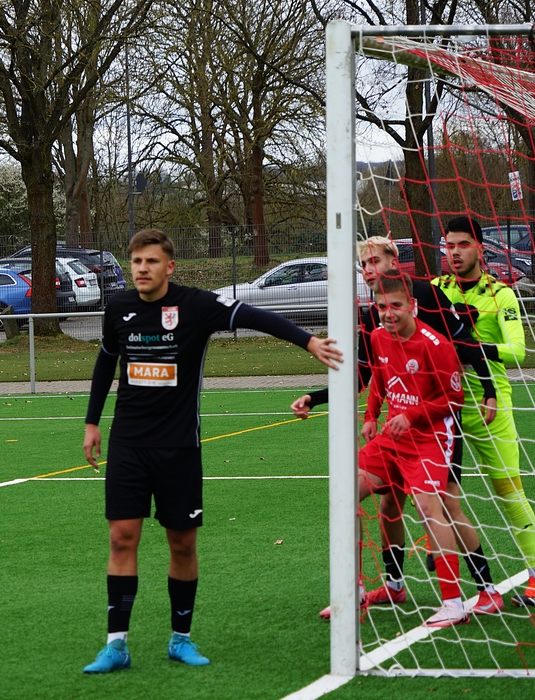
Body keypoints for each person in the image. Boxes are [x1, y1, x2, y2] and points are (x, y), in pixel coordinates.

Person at [81, 229, 343, 674]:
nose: (142, 268)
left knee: (182, 543)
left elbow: (256, 316)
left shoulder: (197, 305)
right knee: (121, 537)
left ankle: (180, 638)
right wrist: (92, 422)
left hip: (179, 446)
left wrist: (309, 342)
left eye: (151, 261)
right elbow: (107, 358)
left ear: (170, 267)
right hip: (128, 444)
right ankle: (116, 644)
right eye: (136, 261)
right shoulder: (119, 307)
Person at [298, 236, 505, 617]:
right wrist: (367, 415)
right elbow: (374, 374)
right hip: (393, 434)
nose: (369, 270)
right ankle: (372, 587)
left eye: (374, 261)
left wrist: (487, 391)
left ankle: (473, 594)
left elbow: (462, 366)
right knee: (358, 495)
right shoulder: (375, 327)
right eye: (364, 265)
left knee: (440, 506)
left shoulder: (430, 319)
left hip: (434, 432)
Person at [431, 216, 535, 607]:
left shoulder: (502, 295)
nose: (455, 252)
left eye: (463, 245)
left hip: (489, 406)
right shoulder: (435, 290)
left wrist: (471, 349)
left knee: (508, 490)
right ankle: (440, 566)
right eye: (449, 245)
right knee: (433, 493)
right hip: (443, 406)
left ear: (480, 249)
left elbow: (518, 351)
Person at [354, 273, 470, 628]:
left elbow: (455, 399)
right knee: (345, 492)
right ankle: (359, 589)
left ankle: (453, 603)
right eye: (382, 307)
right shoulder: (377, 336)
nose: (388, 314)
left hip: (430, 438)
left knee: (427, 507)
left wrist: (413, 415)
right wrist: (371, 415)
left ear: (413, 306)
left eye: (396, 306)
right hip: (392, 437)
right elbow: (380, 378)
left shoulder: (435, 345)